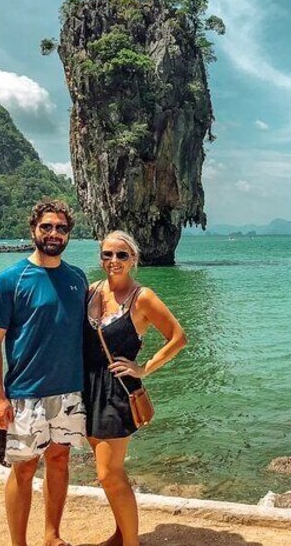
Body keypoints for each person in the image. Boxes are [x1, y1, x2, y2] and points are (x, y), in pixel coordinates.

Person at [0, 199, 88, 546]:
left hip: (69, 391)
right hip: (26, 393)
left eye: (61, 228)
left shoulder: (77, 278)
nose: (54, 233)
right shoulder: (11, 280)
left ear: (68, 234)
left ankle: (52, 536)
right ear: (33, 230)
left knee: (59, 460)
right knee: (24, 468)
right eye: (47, 227)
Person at [84, 230, 187, 546]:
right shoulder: (91, 291)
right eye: (107, 254)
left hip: (117, 391)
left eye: (121, 255)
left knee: (108, 473)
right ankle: (121, 533)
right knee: (107, 473)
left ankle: (131, 542)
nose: (113, 260)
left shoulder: (142, 297)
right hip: (88, 388)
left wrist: (144, 368)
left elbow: (178, 337)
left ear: (133, 260)